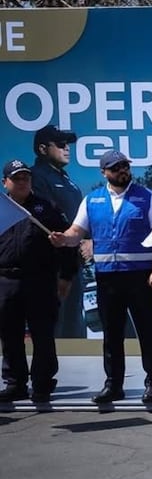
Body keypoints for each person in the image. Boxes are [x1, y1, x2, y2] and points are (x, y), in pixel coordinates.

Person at [48, 150, 152, 404]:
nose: (122, 170)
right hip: (108, 279)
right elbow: (75, 232)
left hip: (140, 277)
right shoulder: (92, 200)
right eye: (116, 167)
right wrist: (63, 239)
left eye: (125, 165)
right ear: (104, 172)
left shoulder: (146, 197)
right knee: (111, 334)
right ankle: (113, 385)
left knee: (148, 332)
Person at [0, 159, 79, 403]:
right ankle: (15, 383)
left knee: (42, 335)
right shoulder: (2, 209)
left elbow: (67, 242)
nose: (22, 182)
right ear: (6, 182)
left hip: (40, 280)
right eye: (17, 178)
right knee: (10, 335)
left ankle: (43, 383)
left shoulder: (46, 208)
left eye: (26, 178)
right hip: (6, 281)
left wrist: (66, 276)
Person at [29, 124, 87, 338]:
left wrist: (88, 241)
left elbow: (83, 218)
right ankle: (48, 370)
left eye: (68, 144)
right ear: (43, 149)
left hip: (72, 263)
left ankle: (77, 371)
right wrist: (76, 239)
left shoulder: (68, 181)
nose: (67, 148)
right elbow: (45, 216)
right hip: (50, 264)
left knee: (74, 323)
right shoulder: (36, 177)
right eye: (61, 144)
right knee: (55, 324)